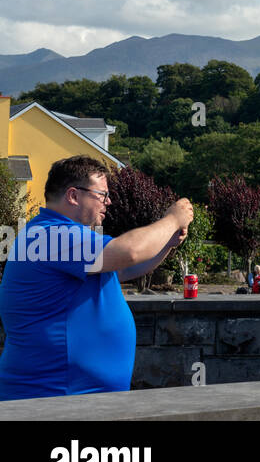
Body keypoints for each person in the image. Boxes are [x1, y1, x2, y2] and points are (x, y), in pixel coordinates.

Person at [0, 155, 193, 401]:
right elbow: (129, 251)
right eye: (102, 194)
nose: (108, 201)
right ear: (73, 195)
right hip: (53, 398)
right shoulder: (50, 236)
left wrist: (167, 243)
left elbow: (124, 268)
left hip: (70, 397)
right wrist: (173, 219)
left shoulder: (54, 235)